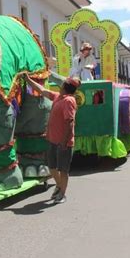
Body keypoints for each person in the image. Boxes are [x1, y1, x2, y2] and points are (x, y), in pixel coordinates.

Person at [25, 74, 80, 204]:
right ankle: (59, 186)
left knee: (63, 170)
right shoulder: (58, 97)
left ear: (65, 87)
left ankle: (62, 193)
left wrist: (64, 142)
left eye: (62, 84)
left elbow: (70, 122)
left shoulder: (69, 101)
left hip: (63, 143)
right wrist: (28, 80)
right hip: (52, 140)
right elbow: (42, 90)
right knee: (52, 166)